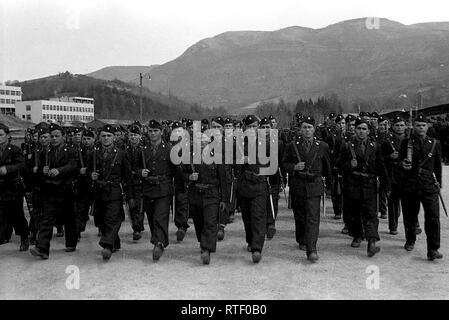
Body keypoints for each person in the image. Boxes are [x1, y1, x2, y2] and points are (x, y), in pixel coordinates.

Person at [282, 116, 331, 262]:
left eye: (309, 127)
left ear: (314, 129)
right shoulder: (293, 145)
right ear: (300, 129)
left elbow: (328, 168)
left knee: (313, 217)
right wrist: (294, 167)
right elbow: (284, 164)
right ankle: (302, 239)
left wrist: (330, 186)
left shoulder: (322, 146)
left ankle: (312, 249)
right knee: (300, 216)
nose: (307, 130)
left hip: (314, 185)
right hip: (298, 185)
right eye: (304, 127)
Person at [338, 117, 389, 257]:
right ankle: (357, 235)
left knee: (371, 213)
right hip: (353, 183)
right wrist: (349, 165)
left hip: (369, 184)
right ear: (355, 130)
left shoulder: (375, 147)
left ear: (368, 131)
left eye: (364, 129)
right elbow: (339, 166)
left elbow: (381, 166)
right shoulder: (347, 146)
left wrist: (386, 185)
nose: (361, 131)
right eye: (359, 128)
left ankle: (372, 242)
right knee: (354, 212)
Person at [30, 124, 78, 259]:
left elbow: (73, 165)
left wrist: (59, 170)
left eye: (57, 136)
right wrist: (42, 171)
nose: (54, 139)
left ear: (63, 137)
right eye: (52, 136)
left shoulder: (70, 150)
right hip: (50, 190)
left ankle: (71, 243)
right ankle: (42, 248)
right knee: (47, 219)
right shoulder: (46, 152)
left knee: (69, 218)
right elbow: (39, 170)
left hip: (65, 189)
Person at [399, 113, 443, 261]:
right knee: (410, 215)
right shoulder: (407, 143)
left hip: (429, 185)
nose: (421, 128)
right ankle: (410, 239)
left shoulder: (435, 143)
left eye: (423, 125)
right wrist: (403, 165)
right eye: (418, 125)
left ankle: (433, 249)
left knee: (433, 217)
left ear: (427, 126)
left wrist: (439, 185)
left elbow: (438, 167)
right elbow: (400, 161)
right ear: (414, 127)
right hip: (410, 184)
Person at [137, 120, 180, 261]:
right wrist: (140, 172)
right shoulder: (142, 150)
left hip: (163, 188)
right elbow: (135, 168)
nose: (153, 133)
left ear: (161, 132)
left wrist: (178, 189)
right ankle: (158, 239)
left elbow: (176, 170)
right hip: (148, 188)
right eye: (150, 131)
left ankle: (159, 243)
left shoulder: (169, 149)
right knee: (151, 217)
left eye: (155, 131)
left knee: (160, 216)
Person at [89, 124, 134, 261]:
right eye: (103, 136)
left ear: (114, 138)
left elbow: (128, 177)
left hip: (114, 191)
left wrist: (130, 196)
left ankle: (107, 246)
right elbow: (88, 173)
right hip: (99, 192)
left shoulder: (121, 154)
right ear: (99, 137)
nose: (106, 138)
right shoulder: (94, 154)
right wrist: (91, 175)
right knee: (101, 220)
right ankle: (115, 242)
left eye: (109, 136)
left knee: (112, 219)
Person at [182, 131, 228, 264]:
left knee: (210, 221)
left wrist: (224, 199)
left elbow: (223, 179)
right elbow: (182, 174)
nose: (201, 142)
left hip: (211, 194)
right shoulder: (190, 157)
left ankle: (206, 249)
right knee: (199, 221)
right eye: (198, 140)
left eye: (204, 139)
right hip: (196, 194)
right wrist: (189, 177)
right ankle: (203, 241)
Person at [235, 115, 269, 263]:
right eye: (249, 127)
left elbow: (272, 165)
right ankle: (250, 240)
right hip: (244, 185)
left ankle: (257, 247)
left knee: (258, 216)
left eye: (254, 126)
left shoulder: (267, 144)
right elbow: (232, 166)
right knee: (247, 217)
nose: (252, 130)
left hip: (259, 184)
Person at [0, 123, 29, 250]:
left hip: (13, 188)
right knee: (1, 214)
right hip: (0, 189)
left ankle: (24, 237)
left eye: (0, 135)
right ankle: (4, 235)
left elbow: (22, 165)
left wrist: (8, 168)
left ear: (7, 136)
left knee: (17, 215)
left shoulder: (15, 150)